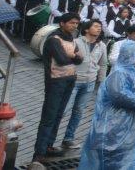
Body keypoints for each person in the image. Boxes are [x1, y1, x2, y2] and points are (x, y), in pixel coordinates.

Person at [78, 41, 135, 170]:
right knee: (111, 159)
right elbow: (121, 97)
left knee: (126, 158)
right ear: (133, 55)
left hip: (130, 125)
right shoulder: (119, 73)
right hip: (114, 125)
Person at [32, 12, 83, 163]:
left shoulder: (71, 38)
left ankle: (49, 146)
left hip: (69, 79)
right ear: (62, 23)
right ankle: (39, 152)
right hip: (55, 81)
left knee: (59, 114)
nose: (74, 26)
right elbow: (61, 60)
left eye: (76, 23)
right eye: (72, 23)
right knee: (49, 116)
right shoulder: (54, 39)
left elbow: (80, 60)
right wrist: (74, 56)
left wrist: (73, 56)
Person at [61, 19, 109, 152]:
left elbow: (104, 64)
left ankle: (68, 139)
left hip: (89, 83)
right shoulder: (76, 42)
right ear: (87, 29)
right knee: (64, 110)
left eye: (100, 27)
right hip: (74, 81)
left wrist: (102, 82)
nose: (99, 29)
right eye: (96, 26)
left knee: (78, 111)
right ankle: (50, 139)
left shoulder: (102, 46)